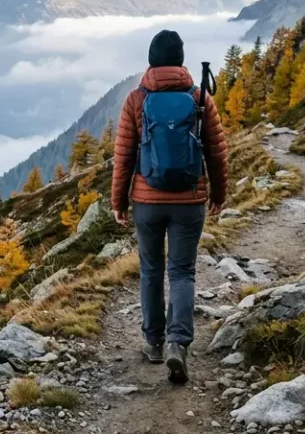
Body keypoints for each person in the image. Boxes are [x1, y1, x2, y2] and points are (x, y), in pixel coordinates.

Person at [110, 29, 228, 383]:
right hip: (190, 200)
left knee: (150, 271)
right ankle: (179, 344)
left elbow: (124, 157)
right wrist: (218, 195)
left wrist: (118, 202)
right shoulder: (199, 97)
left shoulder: (136, 99)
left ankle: (154, 344)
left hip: (147, 201)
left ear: (150, 60)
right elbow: (216, 153)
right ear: (181, 60)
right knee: (182, 272)